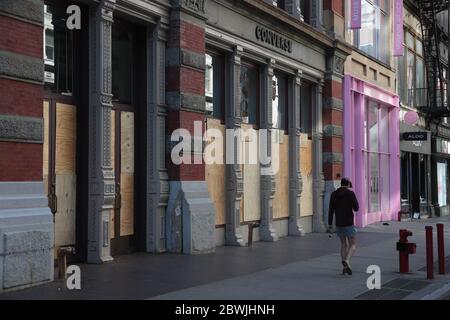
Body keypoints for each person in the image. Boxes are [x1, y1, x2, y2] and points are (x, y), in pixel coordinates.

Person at [328, 178, 359, 275]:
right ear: (348, 185)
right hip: (348, 222)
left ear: (341, 184)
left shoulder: (334, 194)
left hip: (339, 223)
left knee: (343, 244)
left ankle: (345, 267)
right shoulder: (350, 194)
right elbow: (356, 208)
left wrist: (330, 224)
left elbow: (330, 210)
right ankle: (347, 260)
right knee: (353, 244)